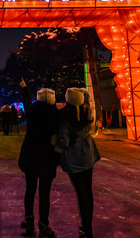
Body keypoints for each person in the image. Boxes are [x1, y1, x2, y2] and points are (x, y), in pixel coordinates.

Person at [56, 88, 101, 238]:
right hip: (88, 154)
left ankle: (86, 228)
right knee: (88, 191)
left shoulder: (65, 116)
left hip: (73, 158)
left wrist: (56, 149)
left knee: (81, 193)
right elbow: (87, 102)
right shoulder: (86, 112)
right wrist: (85, 94)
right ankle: (88, 225)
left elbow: (63, 140)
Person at [18, 79, 59, 237]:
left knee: (30, 190)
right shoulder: (56, 115)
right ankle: (43, 225)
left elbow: (26, 101)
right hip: (47, 158)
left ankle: (29, 222)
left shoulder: (32, 112)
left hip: (31, 157)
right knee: (44, 194)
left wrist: (24, 88)